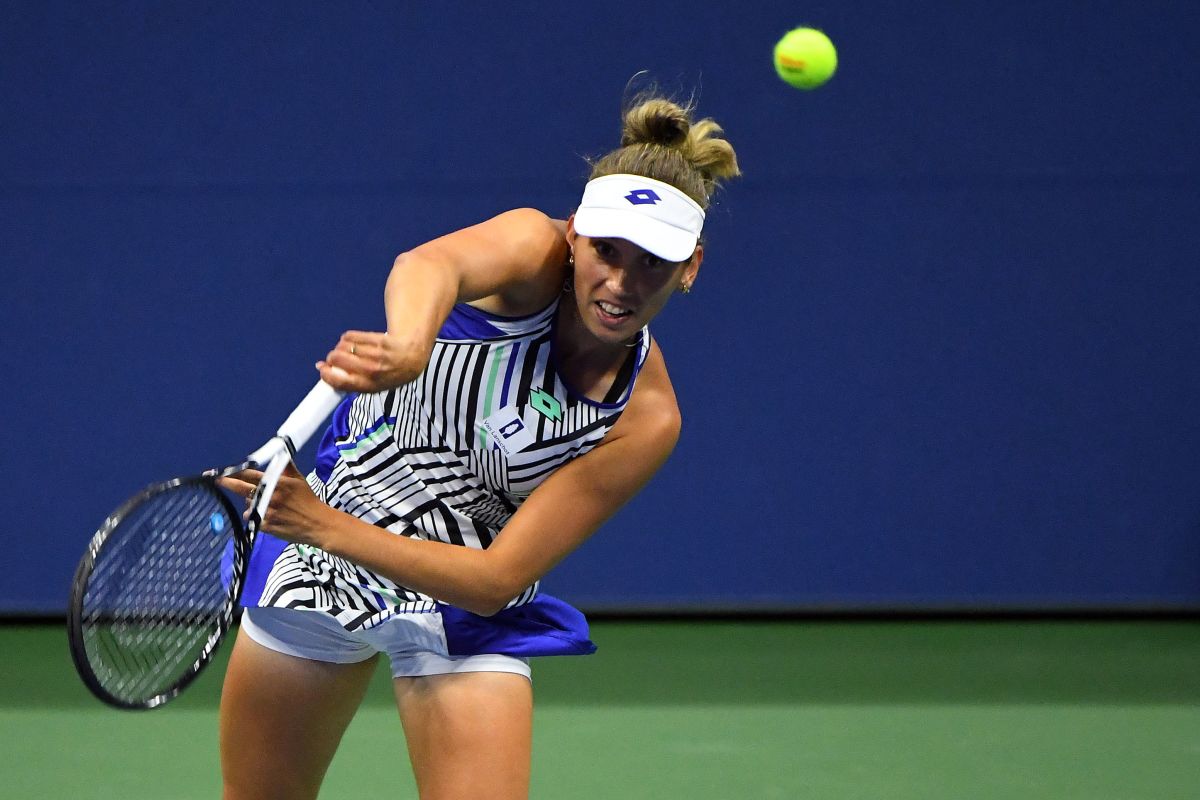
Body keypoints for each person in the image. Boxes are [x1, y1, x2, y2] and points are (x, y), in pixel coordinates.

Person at [217, 93, 740, 800]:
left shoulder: (645, 418)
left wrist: (319, 524)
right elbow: (428, 265)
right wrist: (408, 344)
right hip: (322, 557)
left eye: (652, 264)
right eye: (606, 252)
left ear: (691, 268)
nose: (619, 283)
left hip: (453, 592)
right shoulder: (531, 249)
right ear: (576, 233)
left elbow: (495, 582)